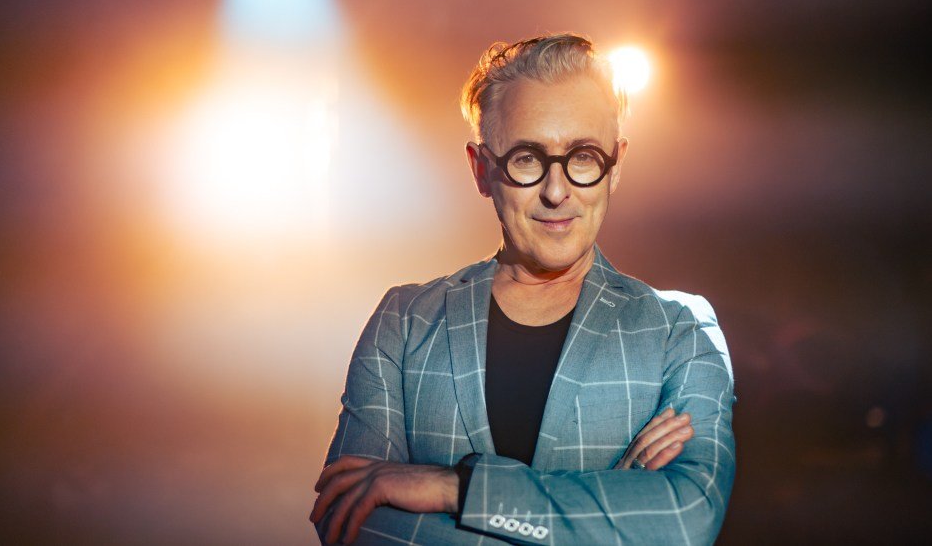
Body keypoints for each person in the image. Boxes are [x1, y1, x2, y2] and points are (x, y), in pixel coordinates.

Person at [310, 33, 735, 545]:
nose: (557, 191)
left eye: (583, 156)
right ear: (482, 169)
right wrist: (604, 520)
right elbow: (352, 523)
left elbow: (684, 520)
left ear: (615, 166)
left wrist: (459, 489)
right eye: (527, 158)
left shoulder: (678, 330)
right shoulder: (404, 322)